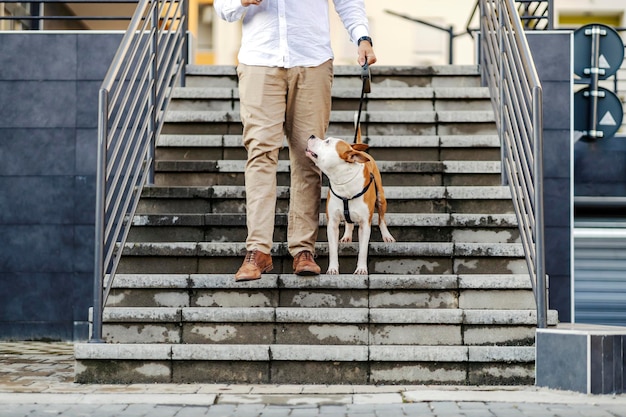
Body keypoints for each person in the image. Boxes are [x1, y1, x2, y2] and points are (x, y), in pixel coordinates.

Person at [214, 0, 377, 282]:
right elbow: (223, 8)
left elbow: (348, 2)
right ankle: (257, 251)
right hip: (260, 61)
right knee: (260, 155)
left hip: (312, 60)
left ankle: (303, 249)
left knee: (309, 158)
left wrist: (362, 37)